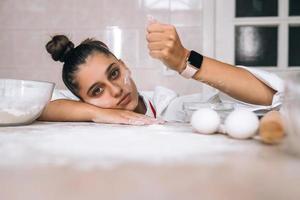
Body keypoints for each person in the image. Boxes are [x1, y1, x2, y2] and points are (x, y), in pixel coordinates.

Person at [39, 22, 283, 125]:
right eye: (97, 90)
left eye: (114, 73)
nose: (116, 90)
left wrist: (184, 61)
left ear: (124, 66)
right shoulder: (79, 114)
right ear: (81, 101)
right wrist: (96, 114)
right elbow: (36, 105)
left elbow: (268, 97)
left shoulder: (168, 107)